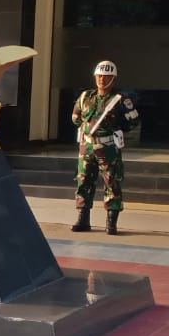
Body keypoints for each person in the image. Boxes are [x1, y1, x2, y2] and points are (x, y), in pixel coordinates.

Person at [70, 60, 139, 235]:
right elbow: (76, 117)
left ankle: (111, 222)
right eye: (99, 76)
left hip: (108, 147)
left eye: (106, 76)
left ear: (113, 79)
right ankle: (83, 218)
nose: (102, 79)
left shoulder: (120, 100)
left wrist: (114, 130)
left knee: (112, 182)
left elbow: (133, 121)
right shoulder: (86, 96)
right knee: (84, 181)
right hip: (87, 146)